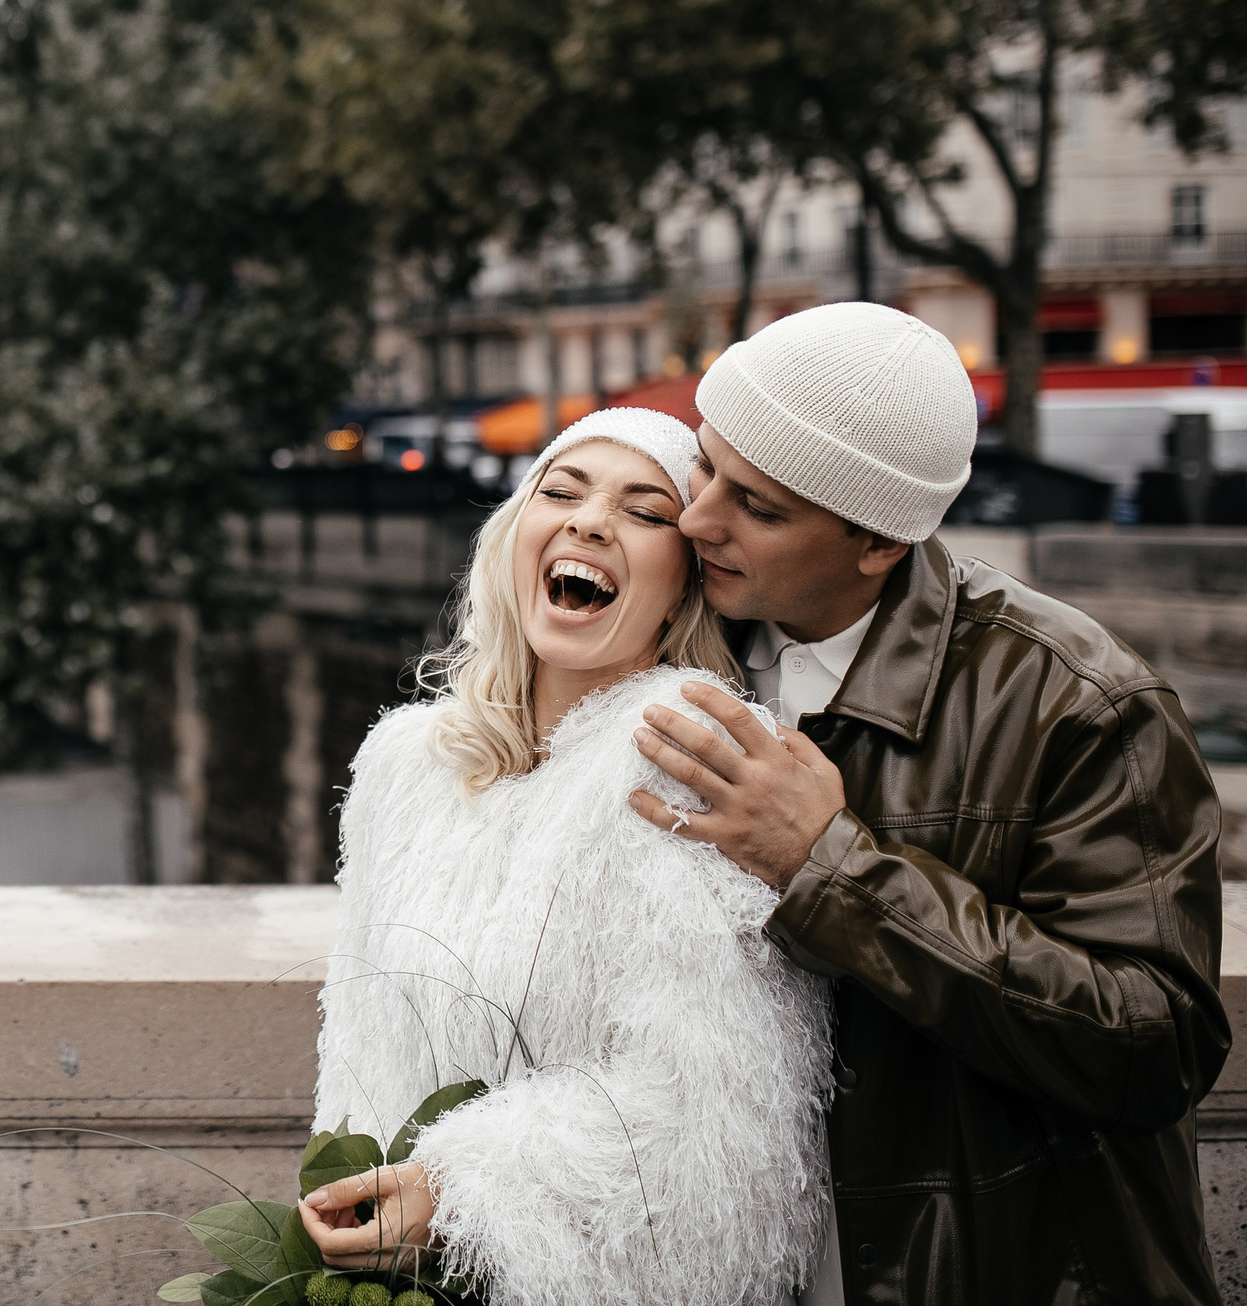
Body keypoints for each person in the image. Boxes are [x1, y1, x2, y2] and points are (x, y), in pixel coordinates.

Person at [626, 301, 1228, 1303]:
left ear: (877, 541)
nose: (698, 519)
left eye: (757, 507)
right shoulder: (677, 638)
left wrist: (831, 868)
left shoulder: (1079, 701)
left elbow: (1152, 1044)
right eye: (705, 465)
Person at [305, 408, 839, 1306]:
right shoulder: (406, 766)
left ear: (684, 585)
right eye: (561, 491)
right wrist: (351, 1196)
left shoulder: (687, 756)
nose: (590, 521)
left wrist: (460, 1190)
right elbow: (359, 1048)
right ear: (514, 537)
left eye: (644, 510)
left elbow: (717, 1116)